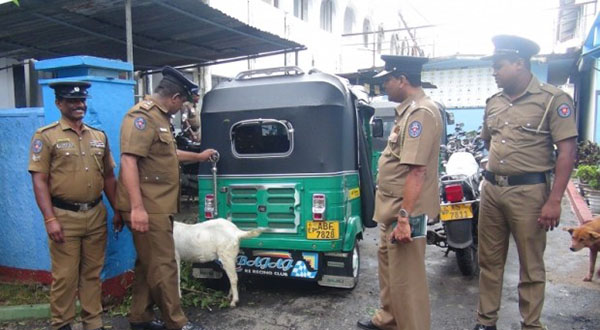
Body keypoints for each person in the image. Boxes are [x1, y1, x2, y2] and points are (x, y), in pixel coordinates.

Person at [473, 35, 578, 330]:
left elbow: (567, 151)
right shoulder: (493, 102)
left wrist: (554, 200)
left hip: (530, 193)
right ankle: (486, 322)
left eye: (499, 66)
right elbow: (486, 142)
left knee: (530, 265)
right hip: (492, 190)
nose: (494, 72)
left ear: (519, 64)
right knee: (489, 261)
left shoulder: (553, 99)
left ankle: (530, 325)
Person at [116, 66, 217, 330]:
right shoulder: (142, 118)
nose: (182, 107)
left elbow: (167, 155)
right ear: (174, 98)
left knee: (147, 263)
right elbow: (128, 162)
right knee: (164, 265)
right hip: (147, 206)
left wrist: (198, 156)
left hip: (157, 204)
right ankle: (177, 323)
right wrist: (137, 208)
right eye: (182, 101)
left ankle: (140, 318)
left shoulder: (160, 119)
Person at [357, 55, 442, 330]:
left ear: (402, 80)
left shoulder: (420, 113)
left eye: (387, 81)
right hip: (391, 208)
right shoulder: (406, 111)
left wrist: (405, 217)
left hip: (405, 210)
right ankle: (389, 319)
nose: (384, 87)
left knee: (407, 281)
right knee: (390, 272)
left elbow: (416, 171)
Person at [28, 81, 122, 330]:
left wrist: (119, 210)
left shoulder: (98, 136)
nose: (79, 105)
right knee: (65, 277)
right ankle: (62, 324)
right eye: (72, 101)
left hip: (95, 214)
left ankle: (93, 323)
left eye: (82, 101)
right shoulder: (46, 136)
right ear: (59, 104)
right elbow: (39, 180)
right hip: (64, 216)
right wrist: (50, 219)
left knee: (92, 274)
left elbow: (109, 178)